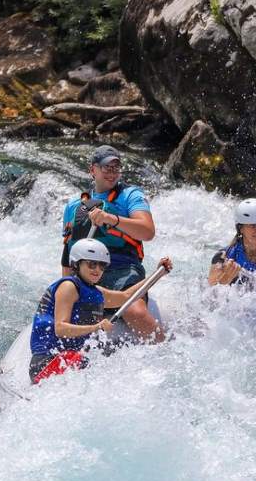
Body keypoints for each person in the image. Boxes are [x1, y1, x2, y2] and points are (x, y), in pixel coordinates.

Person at [30, 239, 171, 383]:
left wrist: (157, 274)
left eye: (102, 265)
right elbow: (60, 329)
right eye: (92, 264)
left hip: (73, 357)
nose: (97, 270)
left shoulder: (96, 291)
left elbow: (127, 296)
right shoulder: (68, 286)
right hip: (48, 361)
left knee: (119, 351)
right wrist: (96, 327)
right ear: (77, 264)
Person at [62, 145, 157, 322]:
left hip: (123, 268)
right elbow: (68, 252)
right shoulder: (73, 206)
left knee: (134, 312)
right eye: (107, 168)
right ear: (93, 170)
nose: (112, 173)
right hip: (86, 271)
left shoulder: (130, 195)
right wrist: (65, 288)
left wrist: (110, 218)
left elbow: (148, 231)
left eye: (116, 168)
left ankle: (162, 340)